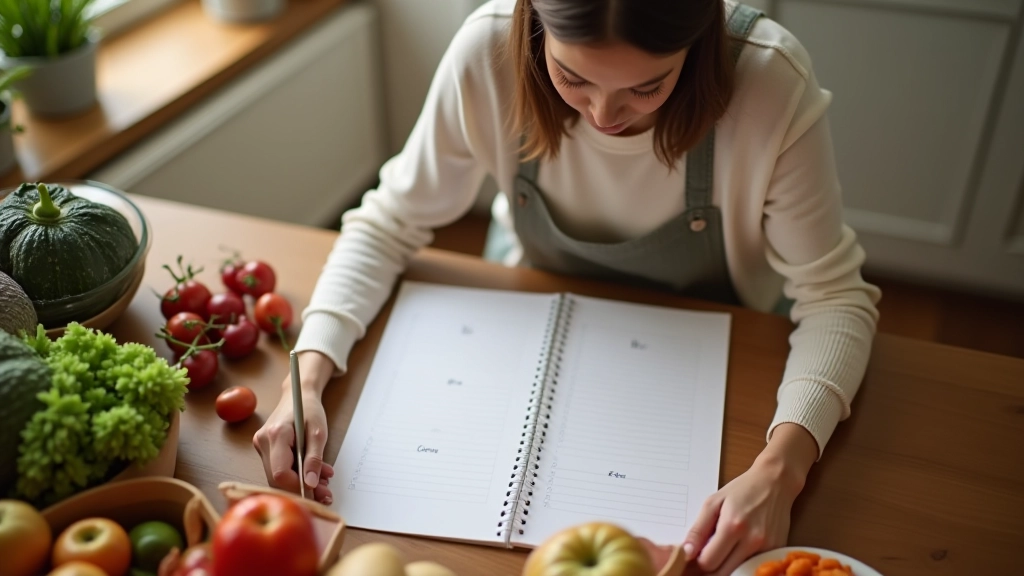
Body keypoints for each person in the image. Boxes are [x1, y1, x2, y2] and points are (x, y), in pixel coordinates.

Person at [252, 0, 881, 574]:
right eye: (573, 78)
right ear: (534, 25)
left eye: (646, 87)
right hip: (529, 311)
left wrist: (781, 469)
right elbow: (387, 224)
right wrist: (306, 379)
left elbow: (836, 299)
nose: (604, 116)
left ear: (699, 44)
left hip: (722, 338)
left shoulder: (770, 85)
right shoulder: (487, 53)